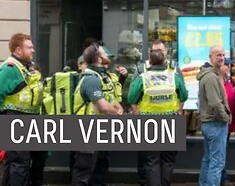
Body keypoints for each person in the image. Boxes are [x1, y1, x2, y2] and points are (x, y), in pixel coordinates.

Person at [128, 49, 188, 186]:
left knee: (151, 161)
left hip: (149, 122)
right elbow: (184, 95)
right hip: (172, 122)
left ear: (150, 61)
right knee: (168, 160)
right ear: (164, 60)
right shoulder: (174, 77)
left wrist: (136, 109)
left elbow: (131, 97)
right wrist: (178, 109)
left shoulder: (143, 78)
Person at [71, 44, 123, 186]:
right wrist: (116, 112)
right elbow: (103, 107)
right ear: (99, 59)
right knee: (84, 172)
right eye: (103, 54)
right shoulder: (91, 79)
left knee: (98, 169)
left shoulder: (100, 76)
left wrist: (117, 105)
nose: (107, 55)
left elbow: (108, 98)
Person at [0, 33, 48, 186]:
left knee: (19, 165)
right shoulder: (10, 69)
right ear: (17, 50)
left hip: (28, 119)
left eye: (32, 47)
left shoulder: (26, 68)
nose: (33, 50)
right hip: (15, 119)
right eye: (29, 47)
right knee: (19, 165)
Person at [197, 46, 231, 186]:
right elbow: (215, 103)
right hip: (215, 123)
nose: (221, 57)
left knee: (209, 159)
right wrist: (226, 118)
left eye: (223, 55)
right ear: (210, 56)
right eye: (218, 55)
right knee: (217, 163)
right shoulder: (211, 77)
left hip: (210, 123)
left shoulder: (212, 74)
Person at [220, 60, 235, 186]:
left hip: (228, 124)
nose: (229, 68)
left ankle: (222, 177)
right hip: (221, 123)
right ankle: (222, 178)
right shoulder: (217, 82)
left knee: (222, 152)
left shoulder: (227, 81)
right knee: (218, 154)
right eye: (227, 66)